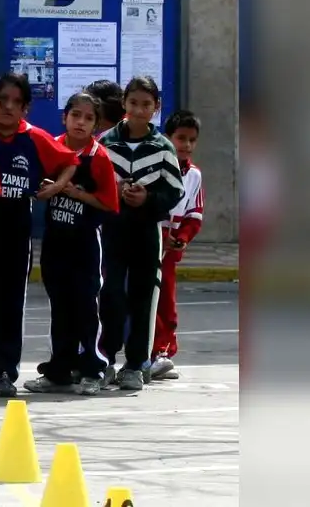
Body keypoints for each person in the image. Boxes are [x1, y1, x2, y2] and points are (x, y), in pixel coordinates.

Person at [0, 72, 79, 397]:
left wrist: (56, 187)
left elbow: (70, 160)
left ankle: (3, 373)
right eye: (3, 100)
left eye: (17, 102)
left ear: (26, 108)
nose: (9, 107)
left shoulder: (34, 138)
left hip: (16, 231)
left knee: (9, 305)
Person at [23, 92, 119, 396]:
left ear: (96, 125)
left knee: (86, 307)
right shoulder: (53, 146)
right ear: (65, 117)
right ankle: (59, 370)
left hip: (85, 243)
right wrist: (47, 188)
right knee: (60, 307)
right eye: (76, 115)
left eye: (89, 118)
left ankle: (93, 368)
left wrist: (75, 193)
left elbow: (108, 203)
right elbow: (36, 183)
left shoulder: (98, 157)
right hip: (55, 240)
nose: (81, 122)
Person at [98, 76, 185, 390]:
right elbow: (94, 180)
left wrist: (148, 199)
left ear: (156, 107)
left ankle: (135, 364)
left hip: (146, 231)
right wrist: (115, 192)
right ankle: (104, 358)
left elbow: (175, 190)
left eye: (146, 104)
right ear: (124, 103)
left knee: (142, 298)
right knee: (110, 296)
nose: (139, 110)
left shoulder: (162, 147)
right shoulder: (106, 142)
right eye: (133, 103)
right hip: (113, 230)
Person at [151, 109, 205, 379]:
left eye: (192, 140)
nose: (186, 145)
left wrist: (181, 239)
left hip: (170, 252)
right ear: (167, 138)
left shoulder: (194, 175)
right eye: (181, 138)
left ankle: (163, 353)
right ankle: (145, 353)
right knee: (143, 301)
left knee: (167, 304)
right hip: (149, 244)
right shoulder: (156, 167)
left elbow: (195, 215)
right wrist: (160, 237)